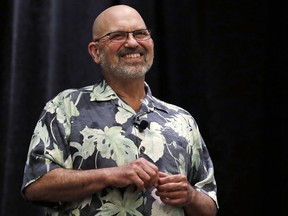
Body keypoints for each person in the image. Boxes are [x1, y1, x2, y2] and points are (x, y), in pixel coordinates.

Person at [21, 4, 218, 216]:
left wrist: (190, 195)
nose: (133, 42)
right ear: (96, 52)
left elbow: (209, 206)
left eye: (141, 34)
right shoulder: (66, 107)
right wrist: (110, 175)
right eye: (118, 36)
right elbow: (36, 185)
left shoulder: (182, 120)